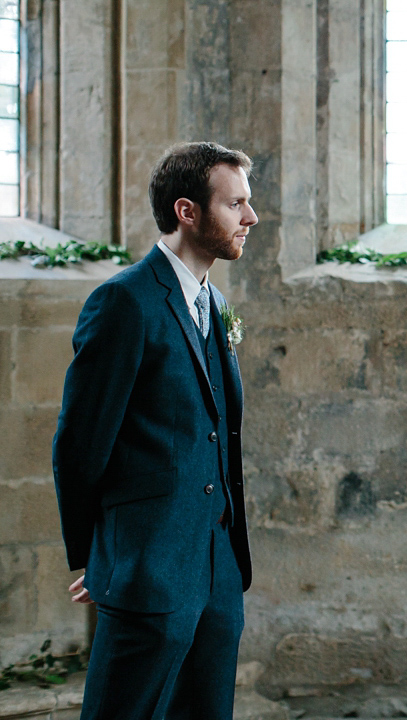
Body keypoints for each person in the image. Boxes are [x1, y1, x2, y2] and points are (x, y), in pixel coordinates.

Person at [52, 142, 259, 719]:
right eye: (235, 204)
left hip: (218, 570)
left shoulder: (214, 303)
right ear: (187, 212)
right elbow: (79, 443)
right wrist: (99, 556)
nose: (251, 218)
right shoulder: (123, 302)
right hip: (148, 568)